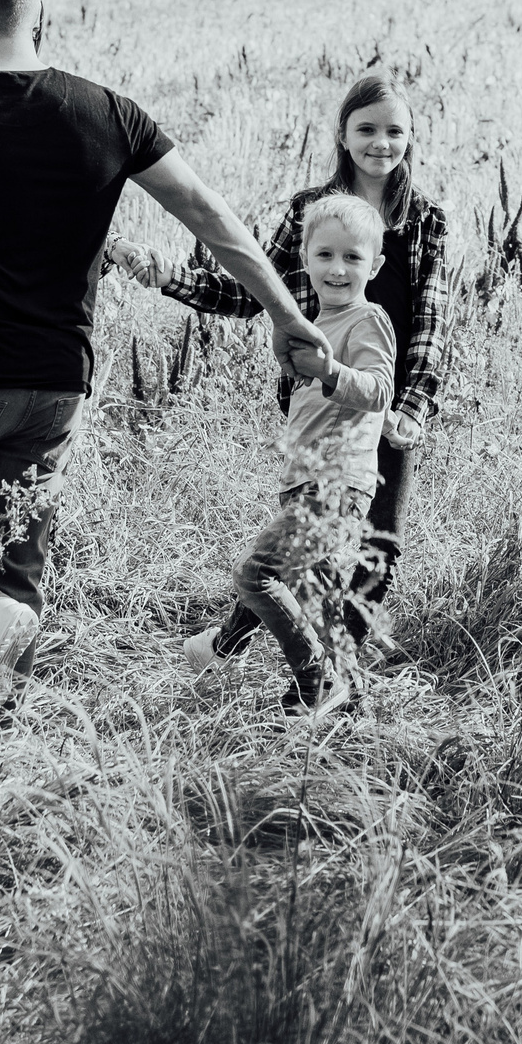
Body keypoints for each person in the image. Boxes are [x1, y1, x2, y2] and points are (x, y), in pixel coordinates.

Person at [0, 0, 327, 722]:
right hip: (59, 384)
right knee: (19, 562)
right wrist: (286, 312)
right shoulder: (107, 112)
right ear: (43, 12)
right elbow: (209, 213)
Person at [108, 72, 448, 660]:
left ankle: (322, 669)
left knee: (378, 546)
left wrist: (412, 408)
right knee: (301, 548)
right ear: (343, 135)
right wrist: (173, 277)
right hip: (317, 407)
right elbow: (254, 291)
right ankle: (263, 655)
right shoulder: (309, 213)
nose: (380, 143)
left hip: (385, 408)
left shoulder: (424, 221)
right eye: (365, 129)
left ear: (411, 139)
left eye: (395, 131)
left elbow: (431, 323)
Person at [212, 193, 397, 715]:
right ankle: (352, 701)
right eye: (325, 255)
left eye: (352, 258)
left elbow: (380, 390)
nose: (337, 269)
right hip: (305, 479)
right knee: (318, 599)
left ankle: (314, 680)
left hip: (337, 482)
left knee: (256, 574)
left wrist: (330, 371)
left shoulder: (368, 319)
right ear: (304, 258)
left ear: (375, 265)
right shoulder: (309, 322)